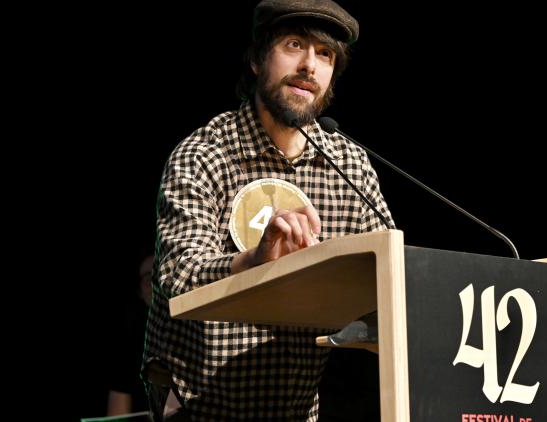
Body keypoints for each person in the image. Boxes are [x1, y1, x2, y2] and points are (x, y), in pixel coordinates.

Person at [142, 0, 394, 420]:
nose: (309, 65)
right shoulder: (204, 153)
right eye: (294, 45)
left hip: (295, 410)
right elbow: (177, 276)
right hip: (201, 407)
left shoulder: (348, 164)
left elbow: (389, 273)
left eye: (325, 54)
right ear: (257, 60)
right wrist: (256, 262)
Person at [106, 254, 153, 416]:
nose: (156, 281)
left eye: (161, 272)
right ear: (140, 291)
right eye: (148, 277)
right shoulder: (129, 348)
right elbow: (117, 415)